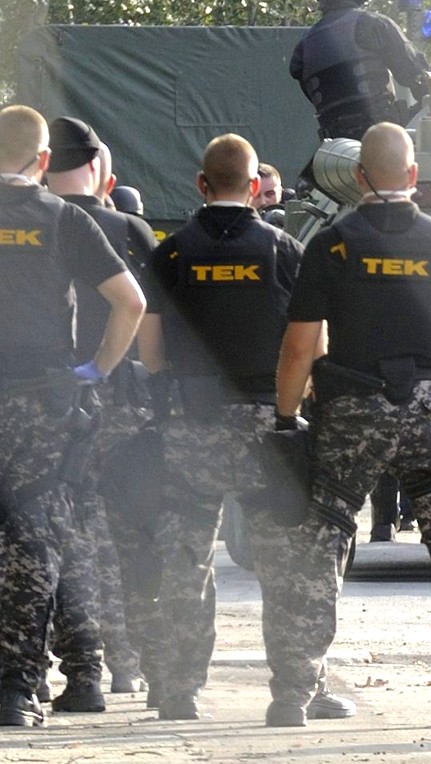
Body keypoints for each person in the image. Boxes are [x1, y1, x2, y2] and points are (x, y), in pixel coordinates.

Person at [275, 122, 431, 727]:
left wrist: (286, 418)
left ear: (358, 177)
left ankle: (292, 694)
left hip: (350, 412)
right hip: (428, 413)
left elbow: (299, 348)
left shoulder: (331, 246)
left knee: (320, 548)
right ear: (413, 174)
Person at [135, 133, 355, 724]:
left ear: (201, 184)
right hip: (267, 426)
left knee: (186, 559)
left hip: (192, 422)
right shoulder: (285, 250)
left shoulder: (171, 254)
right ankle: (294, 695)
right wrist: (294, 409)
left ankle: (178, 691)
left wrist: (172, 395)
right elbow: (312, 343)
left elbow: (149, 346)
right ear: (256, 186)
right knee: (287, 567)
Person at [0, 105, 146, 728]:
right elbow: (130, 302)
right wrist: (96, 371)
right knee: (34, 540)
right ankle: (16, 689)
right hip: (43, 401)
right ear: (42, 161)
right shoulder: (64, 220)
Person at [41, 122, 158, 708]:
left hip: (47, 403)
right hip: (122, 404)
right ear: (99, 172)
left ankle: (42, 664)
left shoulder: (34, 221)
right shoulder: (128, 230)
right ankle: (129, 662)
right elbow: (157, 315)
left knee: (47, 533)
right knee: (128, 532)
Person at [289, 0, 431, 141]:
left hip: (336, 147)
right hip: (383, 138)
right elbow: (417, 75)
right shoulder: (374, 24)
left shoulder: (303, 47)